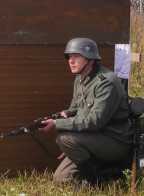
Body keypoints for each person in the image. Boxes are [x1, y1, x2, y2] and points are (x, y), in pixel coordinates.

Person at [37, 38, 132, 187]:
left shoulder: (106, 82)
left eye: (76, 56)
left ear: (90, 59)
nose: (71, 61)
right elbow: (76, 108)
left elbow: (94, 121)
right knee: (61, 179)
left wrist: (57, 124)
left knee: (65, 137)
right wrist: (67, 113)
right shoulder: (80, 80)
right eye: (69, 57)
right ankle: (109, 172)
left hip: (114, 140)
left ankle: (94, 181)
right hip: (92, 139)